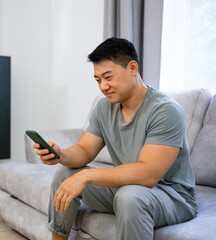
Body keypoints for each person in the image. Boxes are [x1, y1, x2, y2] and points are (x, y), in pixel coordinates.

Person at [34, 37, 198, 240]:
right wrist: (61, 154)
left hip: (171, 197)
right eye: (98, 80)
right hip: (127, 188)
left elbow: (148, 174)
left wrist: (86, 176)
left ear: (132, 68)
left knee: (130, 197)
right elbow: (85, 150)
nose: (103, 86)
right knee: (65, 174)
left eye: (108, 77)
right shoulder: (104, 107)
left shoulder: (165, 110)